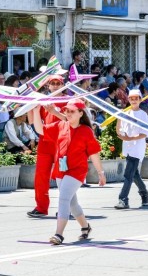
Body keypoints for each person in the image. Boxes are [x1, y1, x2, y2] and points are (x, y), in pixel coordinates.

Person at [31, 99, 106, 245]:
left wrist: (100, 173)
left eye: (72, 111)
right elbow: (41, 130)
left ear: (80, 113)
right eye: (66, 110)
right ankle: (85, 227)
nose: (68, 113)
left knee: (63, 199)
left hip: (77, 171)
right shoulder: (60, 125)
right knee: (72, 203)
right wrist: (34, 110)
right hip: (61, 170)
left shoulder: (86, 131)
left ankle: (58, 234)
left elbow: (94, 154)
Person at [26, 75, 67, 218]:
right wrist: (32, 107)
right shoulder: (43, 100)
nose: (55, 85)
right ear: (48, 86)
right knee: (41, 176)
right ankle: (41, 207)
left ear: (62, 85)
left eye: (58, 83)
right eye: (52, 83)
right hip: (45, 142)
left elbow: (71, 120)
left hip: (62, 143)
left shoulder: (67, 101)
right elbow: (32, 121)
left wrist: (55, 112)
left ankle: (65, 208)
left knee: (63, 177)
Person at [115, 90, 148, 209]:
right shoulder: (126, 114)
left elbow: (145, 133)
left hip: (137, 148)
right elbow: (119, 132)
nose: (134, 100)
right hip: (128, 147)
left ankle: (123, 199)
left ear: (140, 99)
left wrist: (130, 138)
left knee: (128, 174)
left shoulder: (143, 114)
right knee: (134, 174)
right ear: (128, 100)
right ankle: (145, 195)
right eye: (131, 98)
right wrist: (119, 119)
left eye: (136, 98)